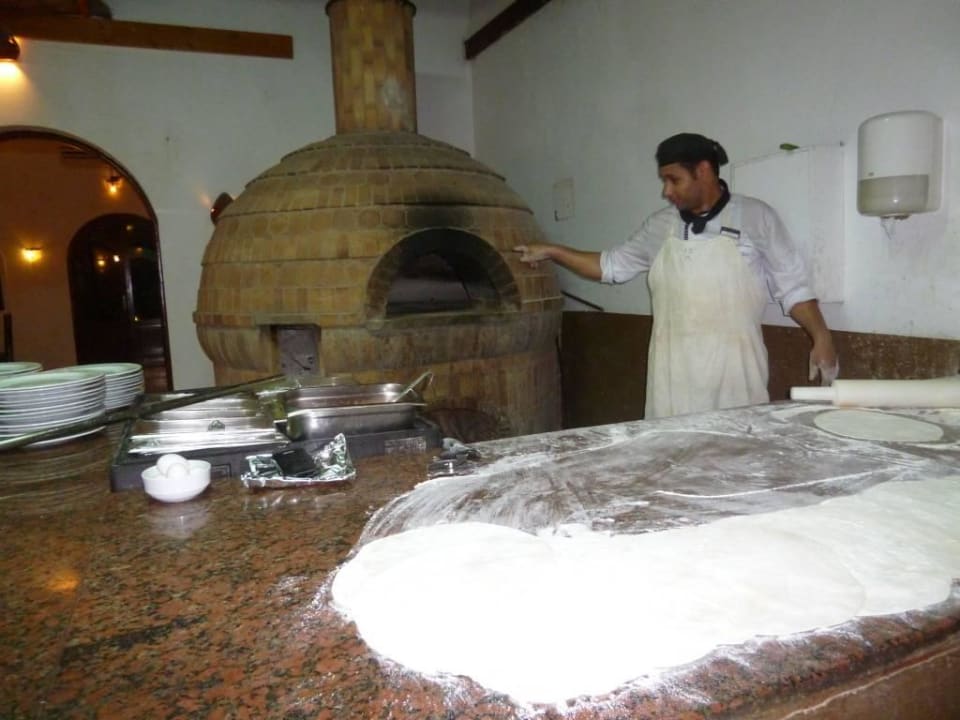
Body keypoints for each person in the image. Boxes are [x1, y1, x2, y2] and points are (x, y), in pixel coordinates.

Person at [515, 132, 838, 419]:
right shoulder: (660, 226)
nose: (666, 191)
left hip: (735, 376)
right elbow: (610, 267)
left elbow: (793, 287)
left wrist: (821, 336)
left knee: (734, 463)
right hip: (673, 379)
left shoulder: (756, 217)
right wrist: (552, 251)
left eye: (674, 179)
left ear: (703, 171)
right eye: (663, 180)